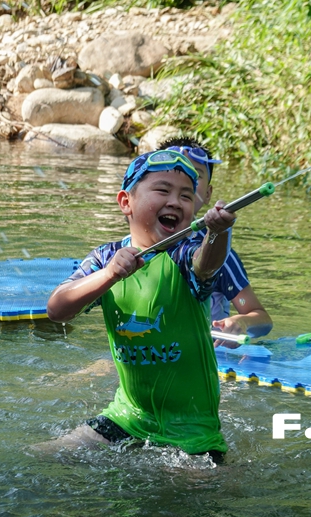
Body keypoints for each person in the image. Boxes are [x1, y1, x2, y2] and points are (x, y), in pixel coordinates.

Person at [44, 149, 236, 460]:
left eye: (187, 196)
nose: (175, 201)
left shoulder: (183, 256)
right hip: (127, 417)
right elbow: (57, 309)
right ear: (126, 202)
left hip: (193, 431)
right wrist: (109, 274)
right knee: (43, 456)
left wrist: (217, 233)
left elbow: (208, 263)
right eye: (162, 190)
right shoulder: (105, 258)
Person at [157, 136, 273, 339]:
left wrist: (241, 322)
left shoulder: (220, 253)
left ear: (208, 194)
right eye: (172, 171)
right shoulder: (126, 249)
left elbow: (261, 318)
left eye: (194, 174)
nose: (183, 180)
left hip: (209, 355)